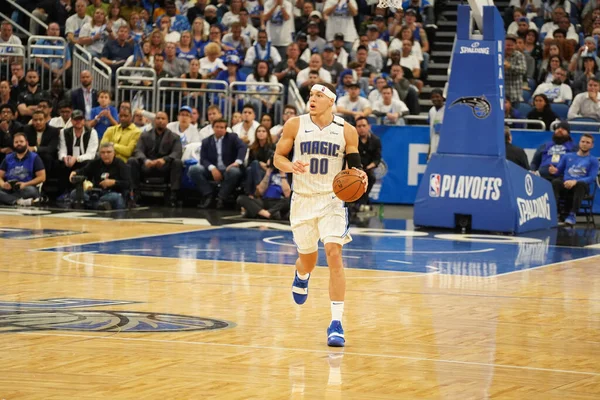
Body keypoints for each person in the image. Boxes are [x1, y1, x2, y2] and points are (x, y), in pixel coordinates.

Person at [273, 82, 368, 347]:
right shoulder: (295, 124)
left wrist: (361, 176)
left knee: (334, 254)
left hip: (331, 201)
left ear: (330, 102)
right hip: (302, 200)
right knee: (308, 261)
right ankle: (301, 275)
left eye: (318, 95)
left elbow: (355, 164)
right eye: (311, 95)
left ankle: (336, 323)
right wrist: (290, 165)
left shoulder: (347, 131)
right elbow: (277, 157)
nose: (312, 99)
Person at [188, 119, 247, 209]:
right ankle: (208, 195)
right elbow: (203, 159)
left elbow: (243, 147)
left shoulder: (232, 137)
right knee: (194, 169)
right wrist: (212, 168)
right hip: (213, 169)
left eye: (222, 127)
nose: (219, 129)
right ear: (213, 128)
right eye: (217, 127)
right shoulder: (206, 141)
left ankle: (221, 198)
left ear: (225, 129)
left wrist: (237, 162)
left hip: (229, 168)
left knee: (234, 171)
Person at [128, 111, 183, 206]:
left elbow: (177, 152)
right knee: (132, 160)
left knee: (177, 162)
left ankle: (174, 196)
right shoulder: (145, 135)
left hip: (165, 167)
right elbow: (138, 151)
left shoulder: (175, 137)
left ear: (167, 121)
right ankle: (135, 194)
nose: (160, 121)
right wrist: (145, 160)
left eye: (163, 118)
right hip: (147, 166)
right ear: (154, 120)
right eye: (158, 118)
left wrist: (165, 159)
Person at [550, 134, 599, 225]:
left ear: (592, 145)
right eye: (583, 141)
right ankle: (555, 212)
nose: (584, 144)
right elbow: (558, 171)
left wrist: (575, 181)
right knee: (556, 182)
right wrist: (554, 171)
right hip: (566, 184)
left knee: (580, 185)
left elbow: (591, 178)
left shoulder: (593, 160)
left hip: (581, 186)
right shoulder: (567, 156)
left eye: (587, 142)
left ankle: (572, 215)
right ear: (579, 143)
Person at [69, 142, 130, 210]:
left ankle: (92, 205)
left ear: (114, 153)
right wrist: (74, 172)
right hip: (95, 193)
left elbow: (128, 183)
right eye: (103, 152)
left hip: (111, 193)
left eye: (108, 152)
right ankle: (97, 205)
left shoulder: (120, 164)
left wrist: (113, 182)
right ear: (99, 154)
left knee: (116, 198)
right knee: (74, 193)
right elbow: (83, 171)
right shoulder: (95, 163)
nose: (106, 154)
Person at [0, 133, 46, 206]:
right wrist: (3, 184)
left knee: (31, 191)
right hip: (10, 189)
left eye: (21, 141)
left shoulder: (34, 157)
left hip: (26, 188)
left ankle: (8, 200)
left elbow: (42, 177)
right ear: (13, 144)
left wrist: (25, 184)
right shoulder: (8, 158)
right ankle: (18, 201)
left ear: (26, 143)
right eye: (16, 142)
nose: (19, 144)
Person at [355, 117, 381, 209]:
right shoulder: (353, 140)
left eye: (364, 125)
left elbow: (377, 159)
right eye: (359, 126)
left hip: (368, 169)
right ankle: (356, 202)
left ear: (369, 126)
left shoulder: (375, 141)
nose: (361, 128)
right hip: (354, 168)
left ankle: (362, 203)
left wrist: (369, 167)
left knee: (371, 177)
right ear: (355, 128)